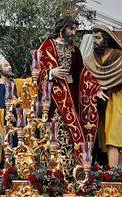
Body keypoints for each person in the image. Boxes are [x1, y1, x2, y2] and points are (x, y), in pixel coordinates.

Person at [80, 26, 122, 167]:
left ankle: (115, 175)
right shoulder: (90, 60)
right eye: (93, 38)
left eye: (98, 38)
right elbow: (85, 80)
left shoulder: (120, 58)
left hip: (117, 101)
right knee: (102, 142)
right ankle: (112, 173)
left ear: (106, 39)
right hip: (98, 106)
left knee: (114, 140)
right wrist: (94, 89)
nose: (95, 41)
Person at [35, 13, 87, 148]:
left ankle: (71, 157)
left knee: (71, 126)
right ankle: (53, 154)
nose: (73, 33)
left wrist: (94, 87)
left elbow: (82, 73)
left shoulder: (75, 50)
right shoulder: (47, 46)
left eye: (75, 29)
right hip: (53, 95)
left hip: (71, 94)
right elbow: (36, 71)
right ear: (62, 28)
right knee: (54, 124)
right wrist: (51, 73)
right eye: (71, 29)